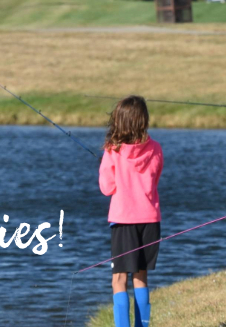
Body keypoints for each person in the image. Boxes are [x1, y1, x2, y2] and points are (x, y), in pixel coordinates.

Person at [99, 95, 164, 327]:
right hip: (150, 221)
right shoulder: (156, 148)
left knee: (118, 279)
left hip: (123, 221)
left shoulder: (112, 150)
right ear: (143, 121)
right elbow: (153, 180)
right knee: (141, 277)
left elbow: (107, 188)